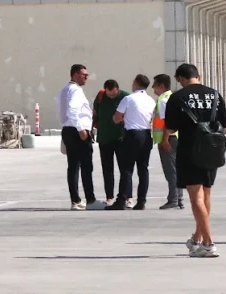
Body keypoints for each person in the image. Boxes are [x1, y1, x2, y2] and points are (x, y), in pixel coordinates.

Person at [165, 63, 226, 258]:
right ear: (198, 76)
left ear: (180, 79)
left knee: (196, 198)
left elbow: (171, 128)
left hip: (189, 151)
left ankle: (209, 243)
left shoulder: (177, 98)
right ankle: (197, 239)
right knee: (206, 195)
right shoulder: (215, 95)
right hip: (212, 150)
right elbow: (222, 125)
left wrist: (165, 139)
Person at [111, 74, 154, 210]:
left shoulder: (128, 99)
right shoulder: (151, 100)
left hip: (132, 134)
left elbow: (117, 118)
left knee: (127, 169)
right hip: (146, 134)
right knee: (143, 169)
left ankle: (121, 200)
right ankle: (141, 201)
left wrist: (123, 119)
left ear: (135, 83)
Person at [58, 64, 95, 210]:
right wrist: (81, 129)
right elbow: (72, 110)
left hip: (68, 129)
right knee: (86, 166)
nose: (86, 76)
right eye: (83, 74)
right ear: (74, 75)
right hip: (77, 131)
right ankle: (90, 199)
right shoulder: (76, 90)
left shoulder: (64, 89)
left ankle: (75, 200)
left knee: (73, 166)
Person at [151, 73, 184, 210]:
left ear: (161, 86)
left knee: (171, 171)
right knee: (176, 170)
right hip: (175, 137)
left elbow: (166, 122)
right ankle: (179, 199)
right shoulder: (173, 97)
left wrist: (164, 139)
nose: (153, 89)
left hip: (168, 138)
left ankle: (174, 199)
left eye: (154, 86)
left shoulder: (163, 100)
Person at [92, 79, 127, 207]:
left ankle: (127, 197)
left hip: (121, 139)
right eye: (109, 94)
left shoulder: (126, 97)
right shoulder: (101, 96)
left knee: (124, 170)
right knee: (107, 169)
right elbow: (94, 113)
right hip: (104, 138)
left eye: (113, 94)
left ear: (118, 89)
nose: (111, 96)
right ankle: (109, 197)